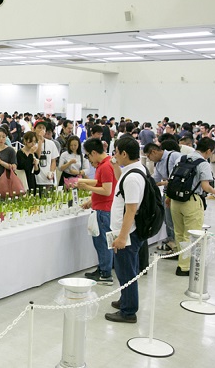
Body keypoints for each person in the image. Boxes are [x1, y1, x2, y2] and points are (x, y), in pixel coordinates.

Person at [104, 137, 146, 323]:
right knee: (125, 269)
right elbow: (122, 184)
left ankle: (128, 311)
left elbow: (131, 209)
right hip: (126, 232)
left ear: (124, 153)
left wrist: (122, 237)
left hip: (127, 234)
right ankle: (125, 299)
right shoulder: (133, 170)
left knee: (126, 271)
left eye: (116, 152)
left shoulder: (133, 178)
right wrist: (115, 167)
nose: (114, 155)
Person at [171, 137, 215, 275]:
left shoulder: (181, 158)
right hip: (192, 201)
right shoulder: (203, 163)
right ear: (208, 150)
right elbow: (205, 187)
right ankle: (185, 267)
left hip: (175, 201)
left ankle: (181, 261)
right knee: (191, 235)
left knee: (179, 233)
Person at [78, 138, 116, 286]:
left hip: (104, 210)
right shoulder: (106, 164)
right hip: (102, 208)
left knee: (103, 243)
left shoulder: (105, 166)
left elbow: (107, 190)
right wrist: (90, 199)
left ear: (94, 152)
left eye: (88, 155)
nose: (89, 158)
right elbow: (101, 183)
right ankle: (102, 268)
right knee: (100, 242)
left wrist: (87, 187)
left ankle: (105, 274)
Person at [144, 142, 182, 252]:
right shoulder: (159, 164)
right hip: (167, 193)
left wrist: (165, 183)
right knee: (168, 220)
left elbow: (180, 176)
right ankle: (171, 243)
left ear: (154, 152)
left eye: (148, 156)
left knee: (176, 221)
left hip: (178, 194)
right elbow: (155, 180)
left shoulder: (174, 156)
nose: (149, 159)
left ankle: (178, 246)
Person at [0, 127, 17, 195]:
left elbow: (14, 167)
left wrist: (1, 162)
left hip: (6, 179)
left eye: (3, 137)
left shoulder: (10, 150)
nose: (1, 139)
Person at [34, 121, 59, 190]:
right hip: (36, 178)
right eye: (39, 127)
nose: (41, 129)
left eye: (43, 128)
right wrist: (40, 140)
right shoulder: (32, 143)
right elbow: (37, 156)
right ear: (34, 129)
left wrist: (51, 172)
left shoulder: (51, 143)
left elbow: (53, 161)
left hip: (48, 178)